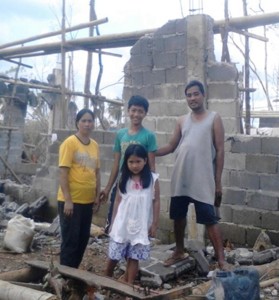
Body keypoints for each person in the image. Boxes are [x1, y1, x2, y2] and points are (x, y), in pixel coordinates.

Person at [156, 80, 226, 270]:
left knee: (210, 218)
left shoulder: (214, 118)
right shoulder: (181, 120)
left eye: (196, 94)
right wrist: (150, 151)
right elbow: (171, 146)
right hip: (182, 176)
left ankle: (221, 260)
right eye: (189, 95)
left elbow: (220, 150)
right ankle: (179, 250)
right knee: (178, 216)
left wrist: (217, 182)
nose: (192, 98)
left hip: (203, 178)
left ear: (203, 95)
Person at [99, 95, 157, 233]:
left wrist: (153, 187)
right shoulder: (121, 135)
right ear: (128, 111)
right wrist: (107, 188)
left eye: (140, 111)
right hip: (122, 183)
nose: (136, 114)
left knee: (136, 223)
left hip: (140, 185)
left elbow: (152, 164)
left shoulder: (149, 136)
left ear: (145, 114)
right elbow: (116, 163)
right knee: (117, 221)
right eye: (133, 110)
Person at [104, 144, 160, 284]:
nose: (134, 165)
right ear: (126, 162)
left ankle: (128, 288)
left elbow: (156, 201)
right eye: (131, 162)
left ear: (145, 161)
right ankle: (105, 280)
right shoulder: (123, 178)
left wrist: (154, 224)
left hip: (140, 225)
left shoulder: (153, 179)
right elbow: (117, 201)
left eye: (138, 161)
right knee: (115, 254)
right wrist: (112, 222)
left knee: (134, 256)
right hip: (122, 222)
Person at [57, 108, 101, 268]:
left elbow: (97, 172)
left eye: (90, 121)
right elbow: (63, 173)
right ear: (77, 123)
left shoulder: (95, 145)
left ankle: (73, 274)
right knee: (70, 241)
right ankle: (65, 278)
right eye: (84, 121)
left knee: (82, 240)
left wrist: (97, 196)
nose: (87, 124)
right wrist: (68, 200)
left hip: (87, 202)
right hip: (71, 202)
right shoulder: (70, 143)